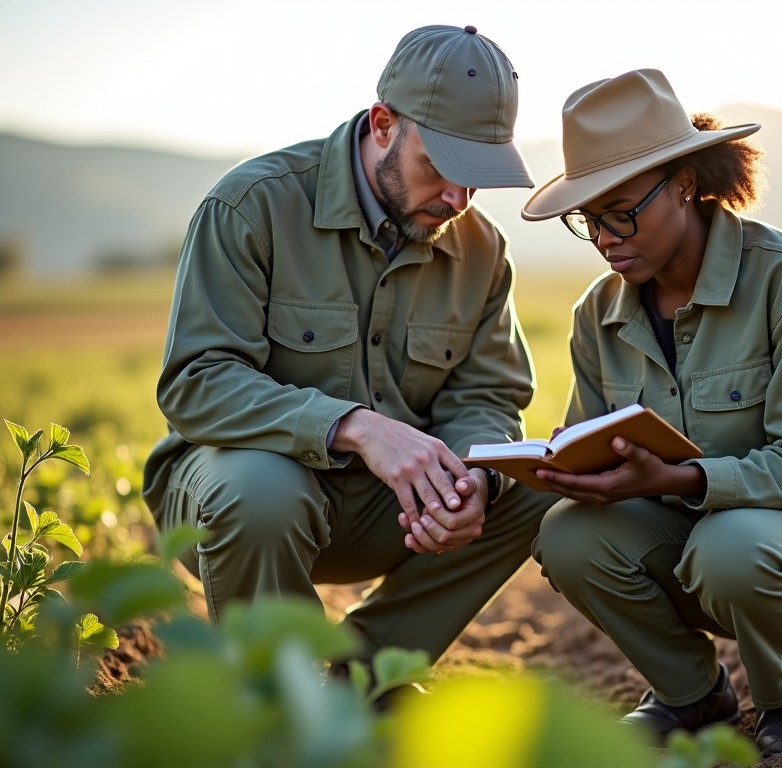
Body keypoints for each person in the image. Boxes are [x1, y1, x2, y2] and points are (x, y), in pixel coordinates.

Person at [142, 24, 558, 699]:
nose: (459, 199)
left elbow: (486, 398)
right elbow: (197, 382)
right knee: (263, 491)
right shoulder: (253, 206)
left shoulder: (483, 250)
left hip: (383, 511)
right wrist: (356, 427)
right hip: (238, 496)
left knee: (533, 486)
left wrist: (472, 483)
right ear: (384, 124)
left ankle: (365, 675)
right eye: (443, 170)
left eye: (478, 180)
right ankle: (280, 695)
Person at [521, 69, 782, 756]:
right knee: (568, 536)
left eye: (622, 210)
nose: (605, 236)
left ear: (685, 185)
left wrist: (678, 481)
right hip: (697, 540)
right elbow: (597, 448)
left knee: (733, 548)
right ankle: (692, 694)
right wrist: (575, 468)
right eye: (588, 218)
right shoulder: (597, 315)